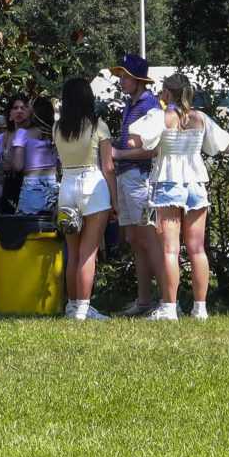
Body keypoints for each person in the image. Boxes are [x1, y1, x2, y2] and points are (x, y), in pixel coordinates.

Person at [147, 72, 227, 320]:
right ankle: (200, 307)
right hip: (195, 182)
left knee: (171, 250)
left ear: (168, 93)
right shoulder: (200, 118)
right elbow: (218, 145)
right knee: (197, 249)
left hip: (169, 181)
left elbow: (142, 141)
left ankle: (170, 307)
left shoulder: (162, 117)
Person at [53, 75, 115, 321]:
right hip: (93, 185)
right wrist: (116, 202)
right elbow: (108, 167)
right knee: (88, 253)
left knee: (73, 252)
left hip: (66, 186)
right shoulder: (98, 125)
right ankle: (83, 308)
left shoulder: (58, 127)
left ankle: (72, 305)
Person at [109, 53, 166, 315]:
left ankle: (167, 302)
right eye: (120, 75)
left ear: (138, 80)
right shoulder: (132, 104)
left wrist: (118, 154)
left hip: (140, 178)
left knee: (149, 240)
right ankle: (144, 301)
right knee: (135, 239)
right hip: (126, 176)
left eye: (125, 76)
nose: (121, 80)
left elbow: (151, 150)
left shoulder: (149, 106)